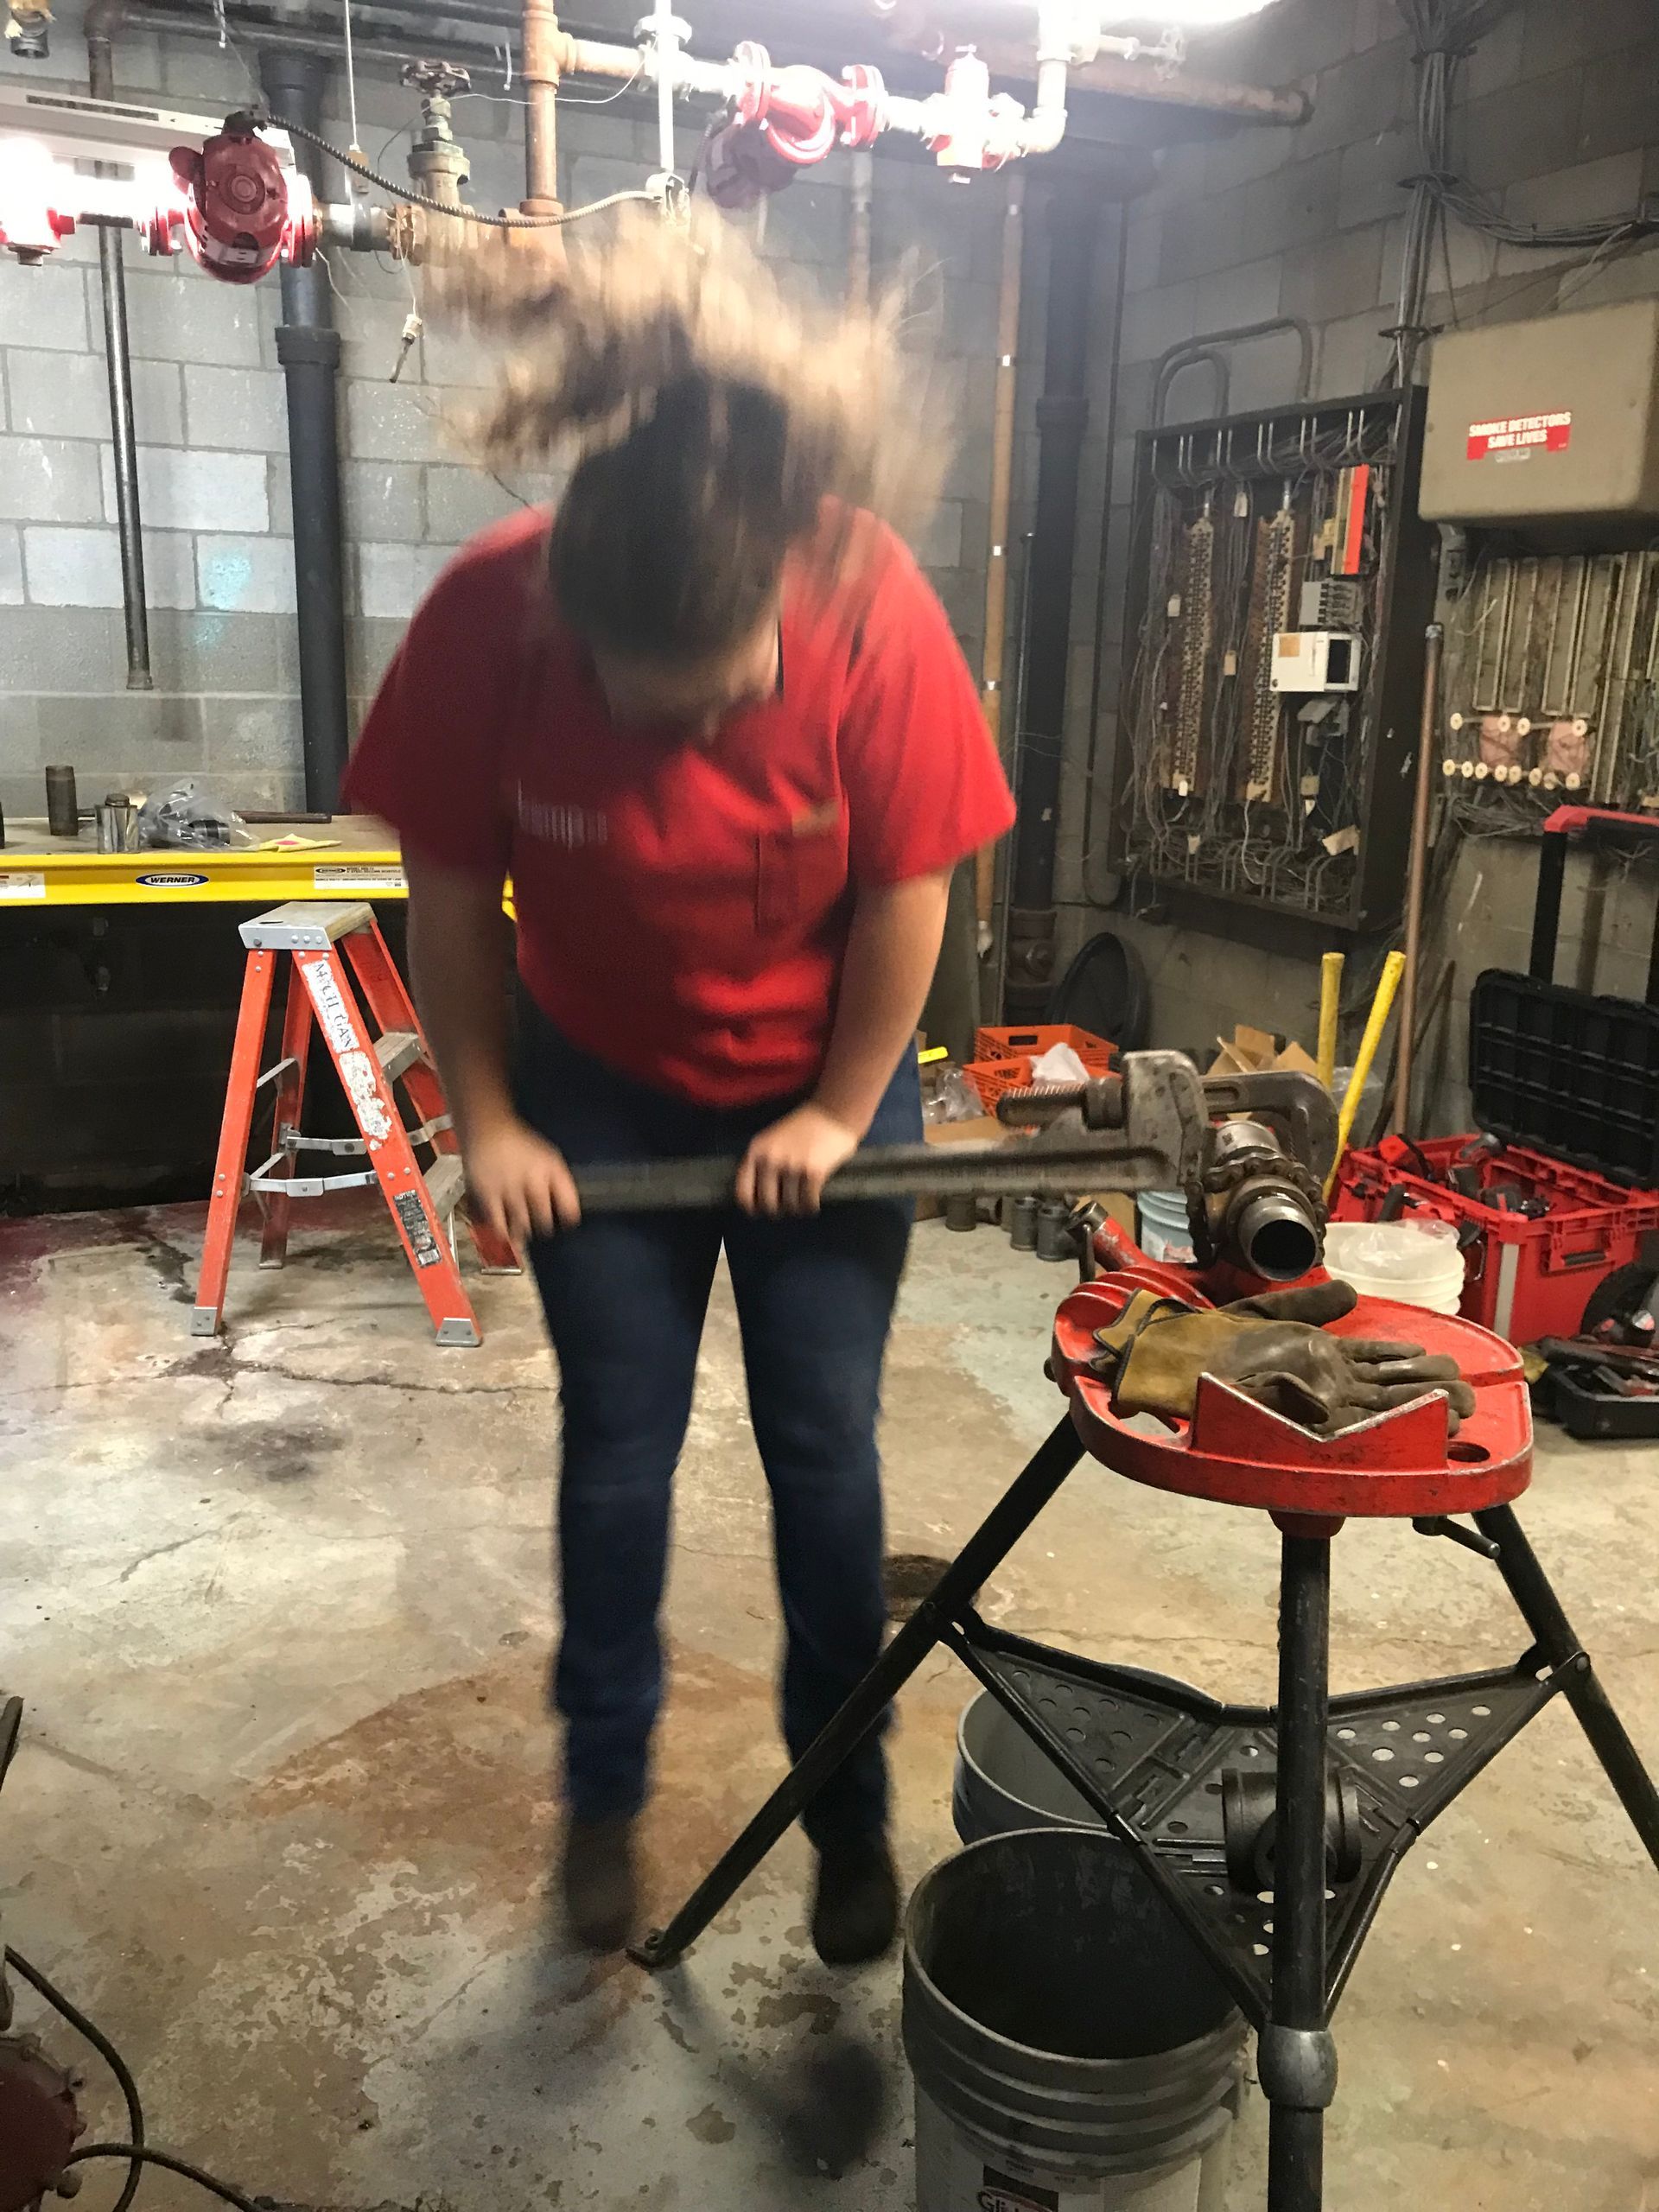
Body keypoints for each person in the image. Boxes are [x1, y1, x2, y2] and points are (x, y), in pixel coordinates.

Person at [343, 214, 1015, 1961]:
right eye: (644, 715)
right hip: (601, 1081)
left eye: (718, 712)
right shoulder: (491, 615)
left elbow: (909, 890)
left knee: (826, 1458)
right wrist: (487, 1117)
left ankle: (844, 1816)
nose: (682, 758)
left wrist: (829, 1105)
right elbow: (445, 890)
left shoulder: (869, 603)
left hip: (826, 1077)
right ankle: (608, 1799)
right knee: (618, 1453)